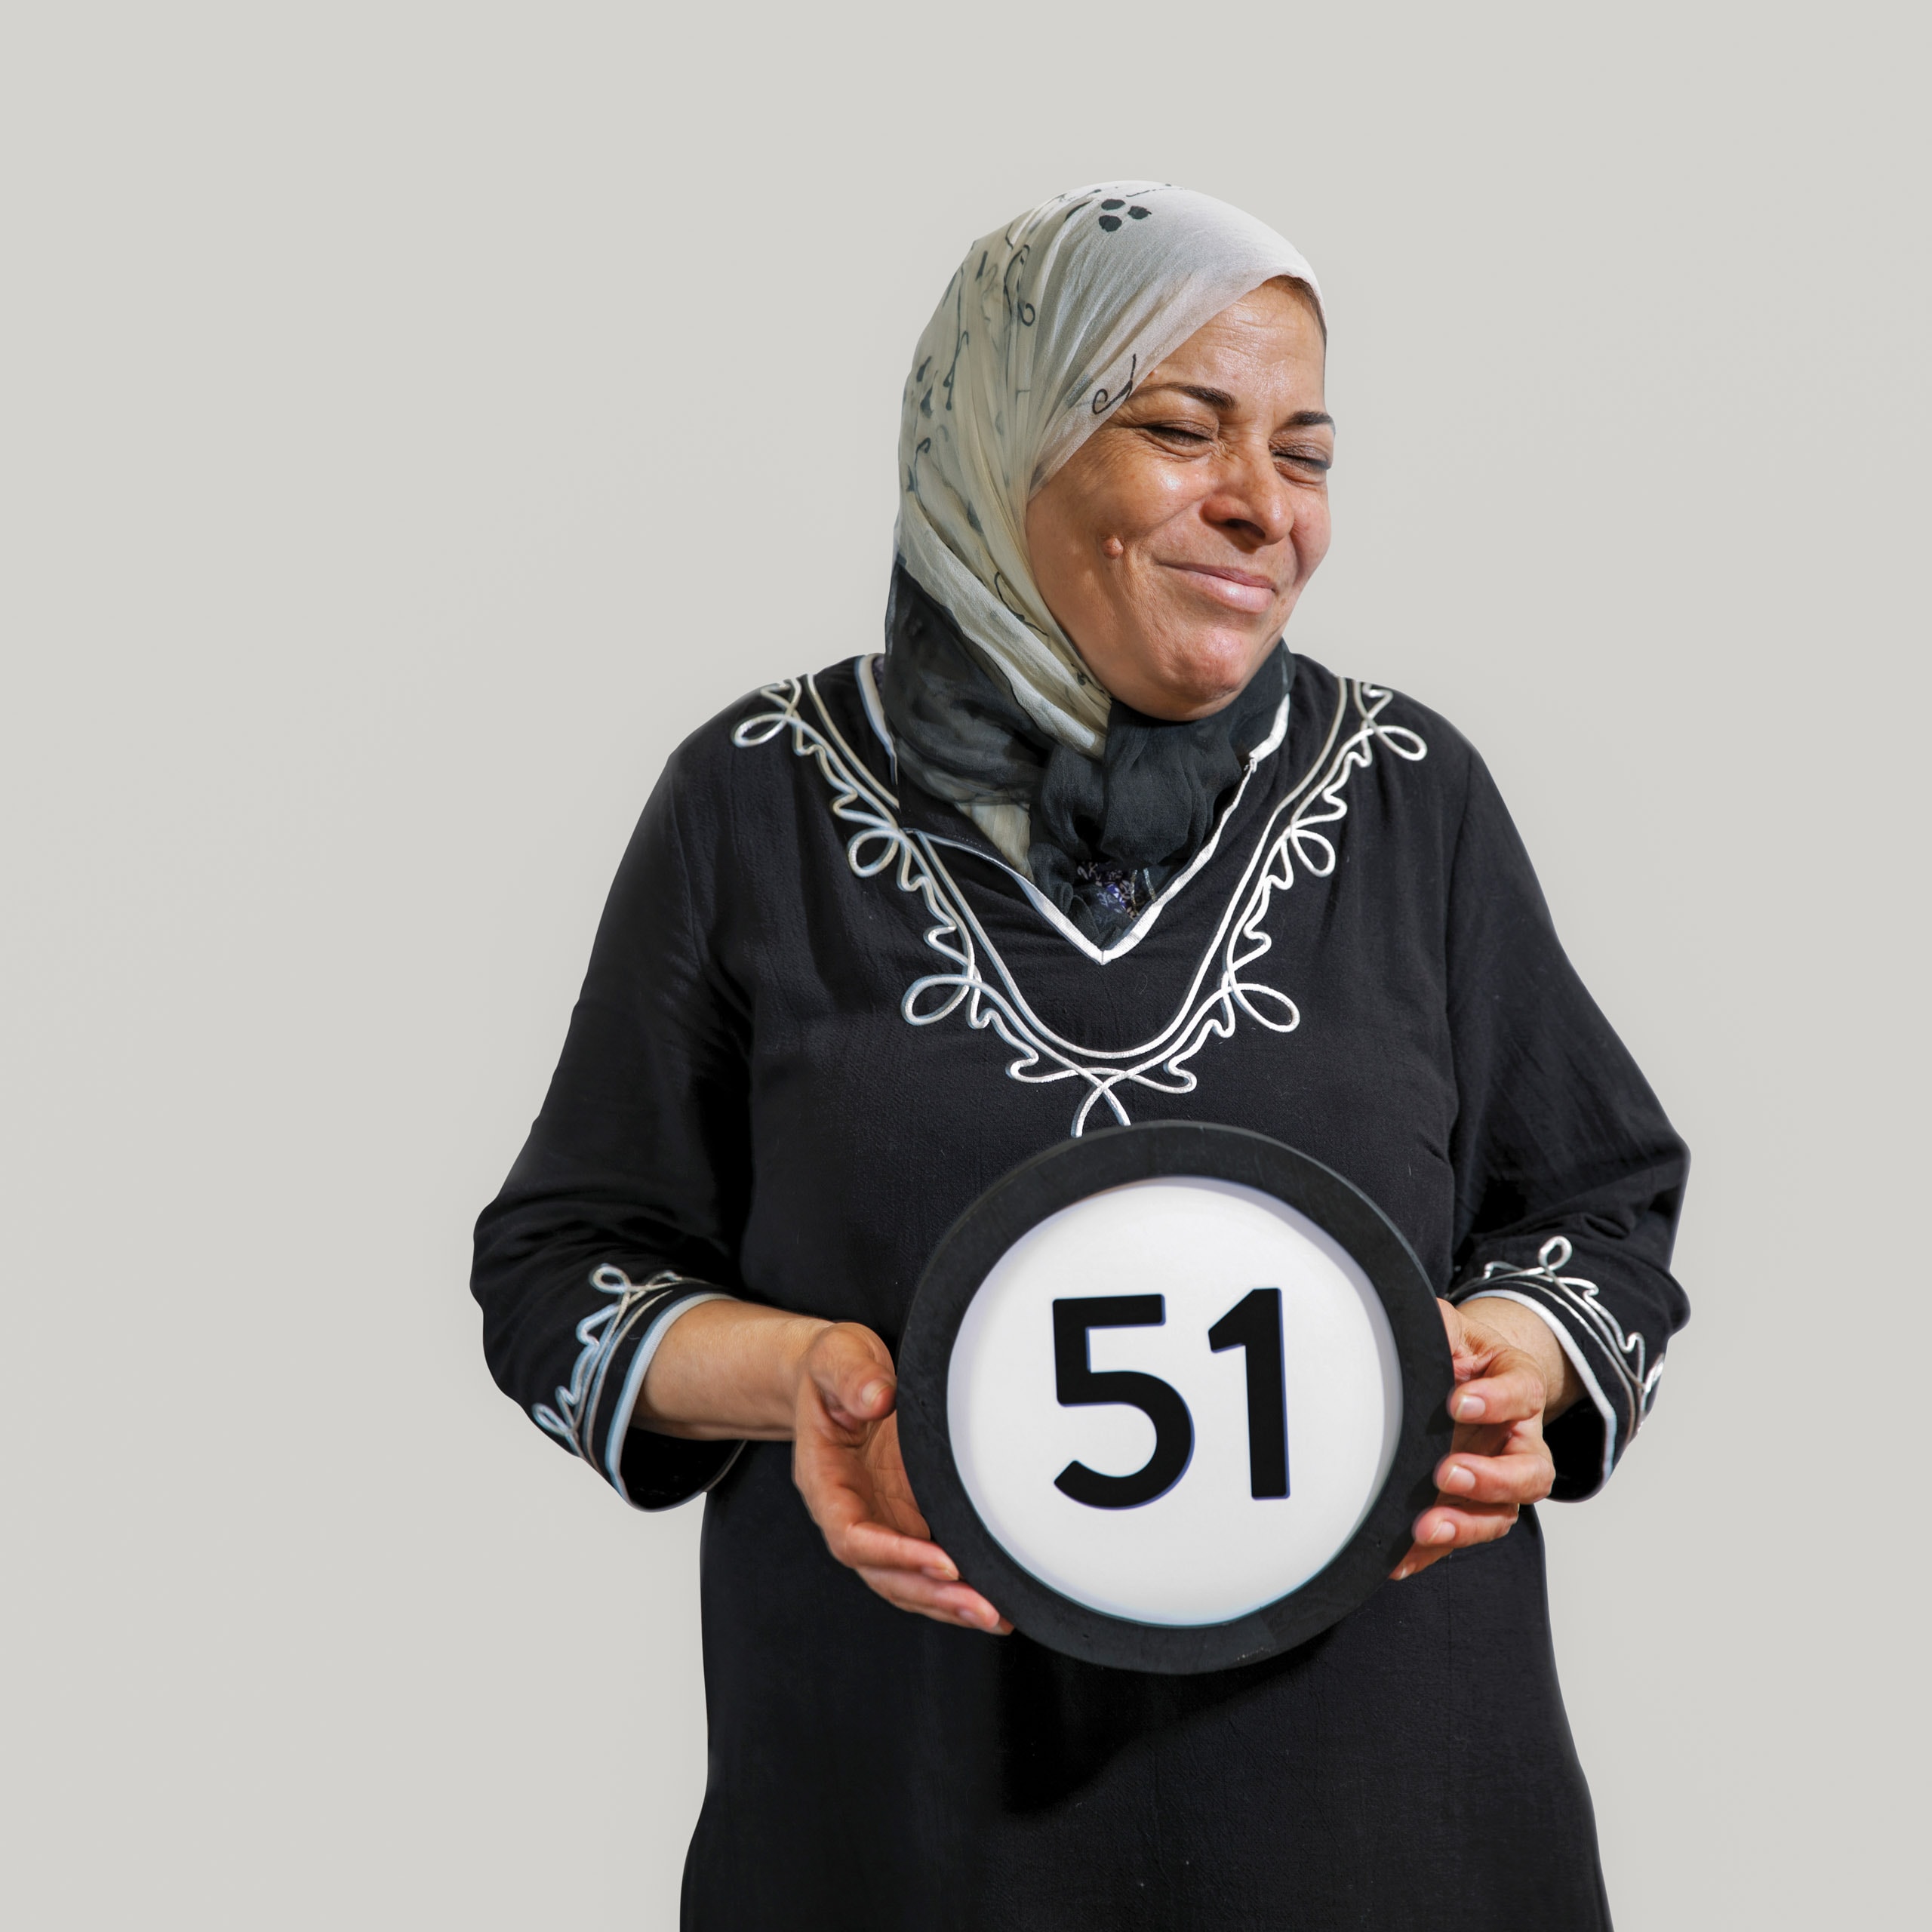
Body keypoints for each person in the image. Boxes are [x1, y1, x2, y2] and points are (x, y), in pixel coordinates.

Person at [473, 183, 1689, 1929]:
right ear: (1006, 438)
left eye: (1307, 451)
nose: (1260, 507)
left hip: (1385, 1834)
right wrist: (806, 1378)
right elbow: (557, 1268)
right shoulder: (754, 802)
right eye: (1180, 427)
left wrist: (1514, 1359)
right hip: (902, 1835)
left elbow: (1599, 1205)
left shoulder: (1408, 794)